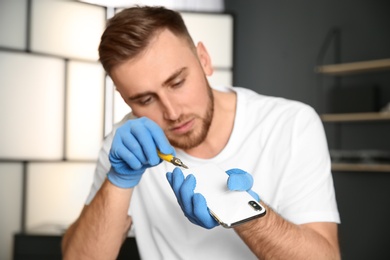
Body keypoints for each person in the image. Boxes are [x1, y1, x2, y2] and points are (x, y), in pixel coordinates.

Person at [62, 5, 341, 260]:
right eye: (145, 100)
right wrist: (118, 180)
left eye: (178, 82)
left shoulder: (290, 125)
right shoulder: (126, 147)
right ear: (125, 100)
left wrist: (245, 212)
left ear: (204, 60)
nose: (172, 112)